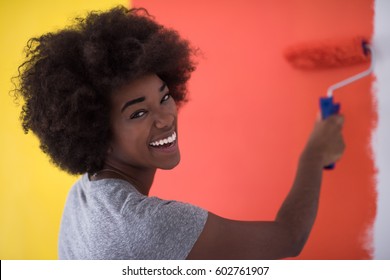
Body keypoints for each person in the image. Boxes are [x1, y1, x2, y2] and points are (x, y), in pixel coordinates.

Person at [14, 6, 345, 259]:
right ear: (95, 129)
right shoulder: (148, 225)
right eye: (138, 112)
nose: (165, 118)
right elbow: (288, 238)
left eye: (164, 96)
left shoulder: (83, 195)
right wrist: (315, 152)